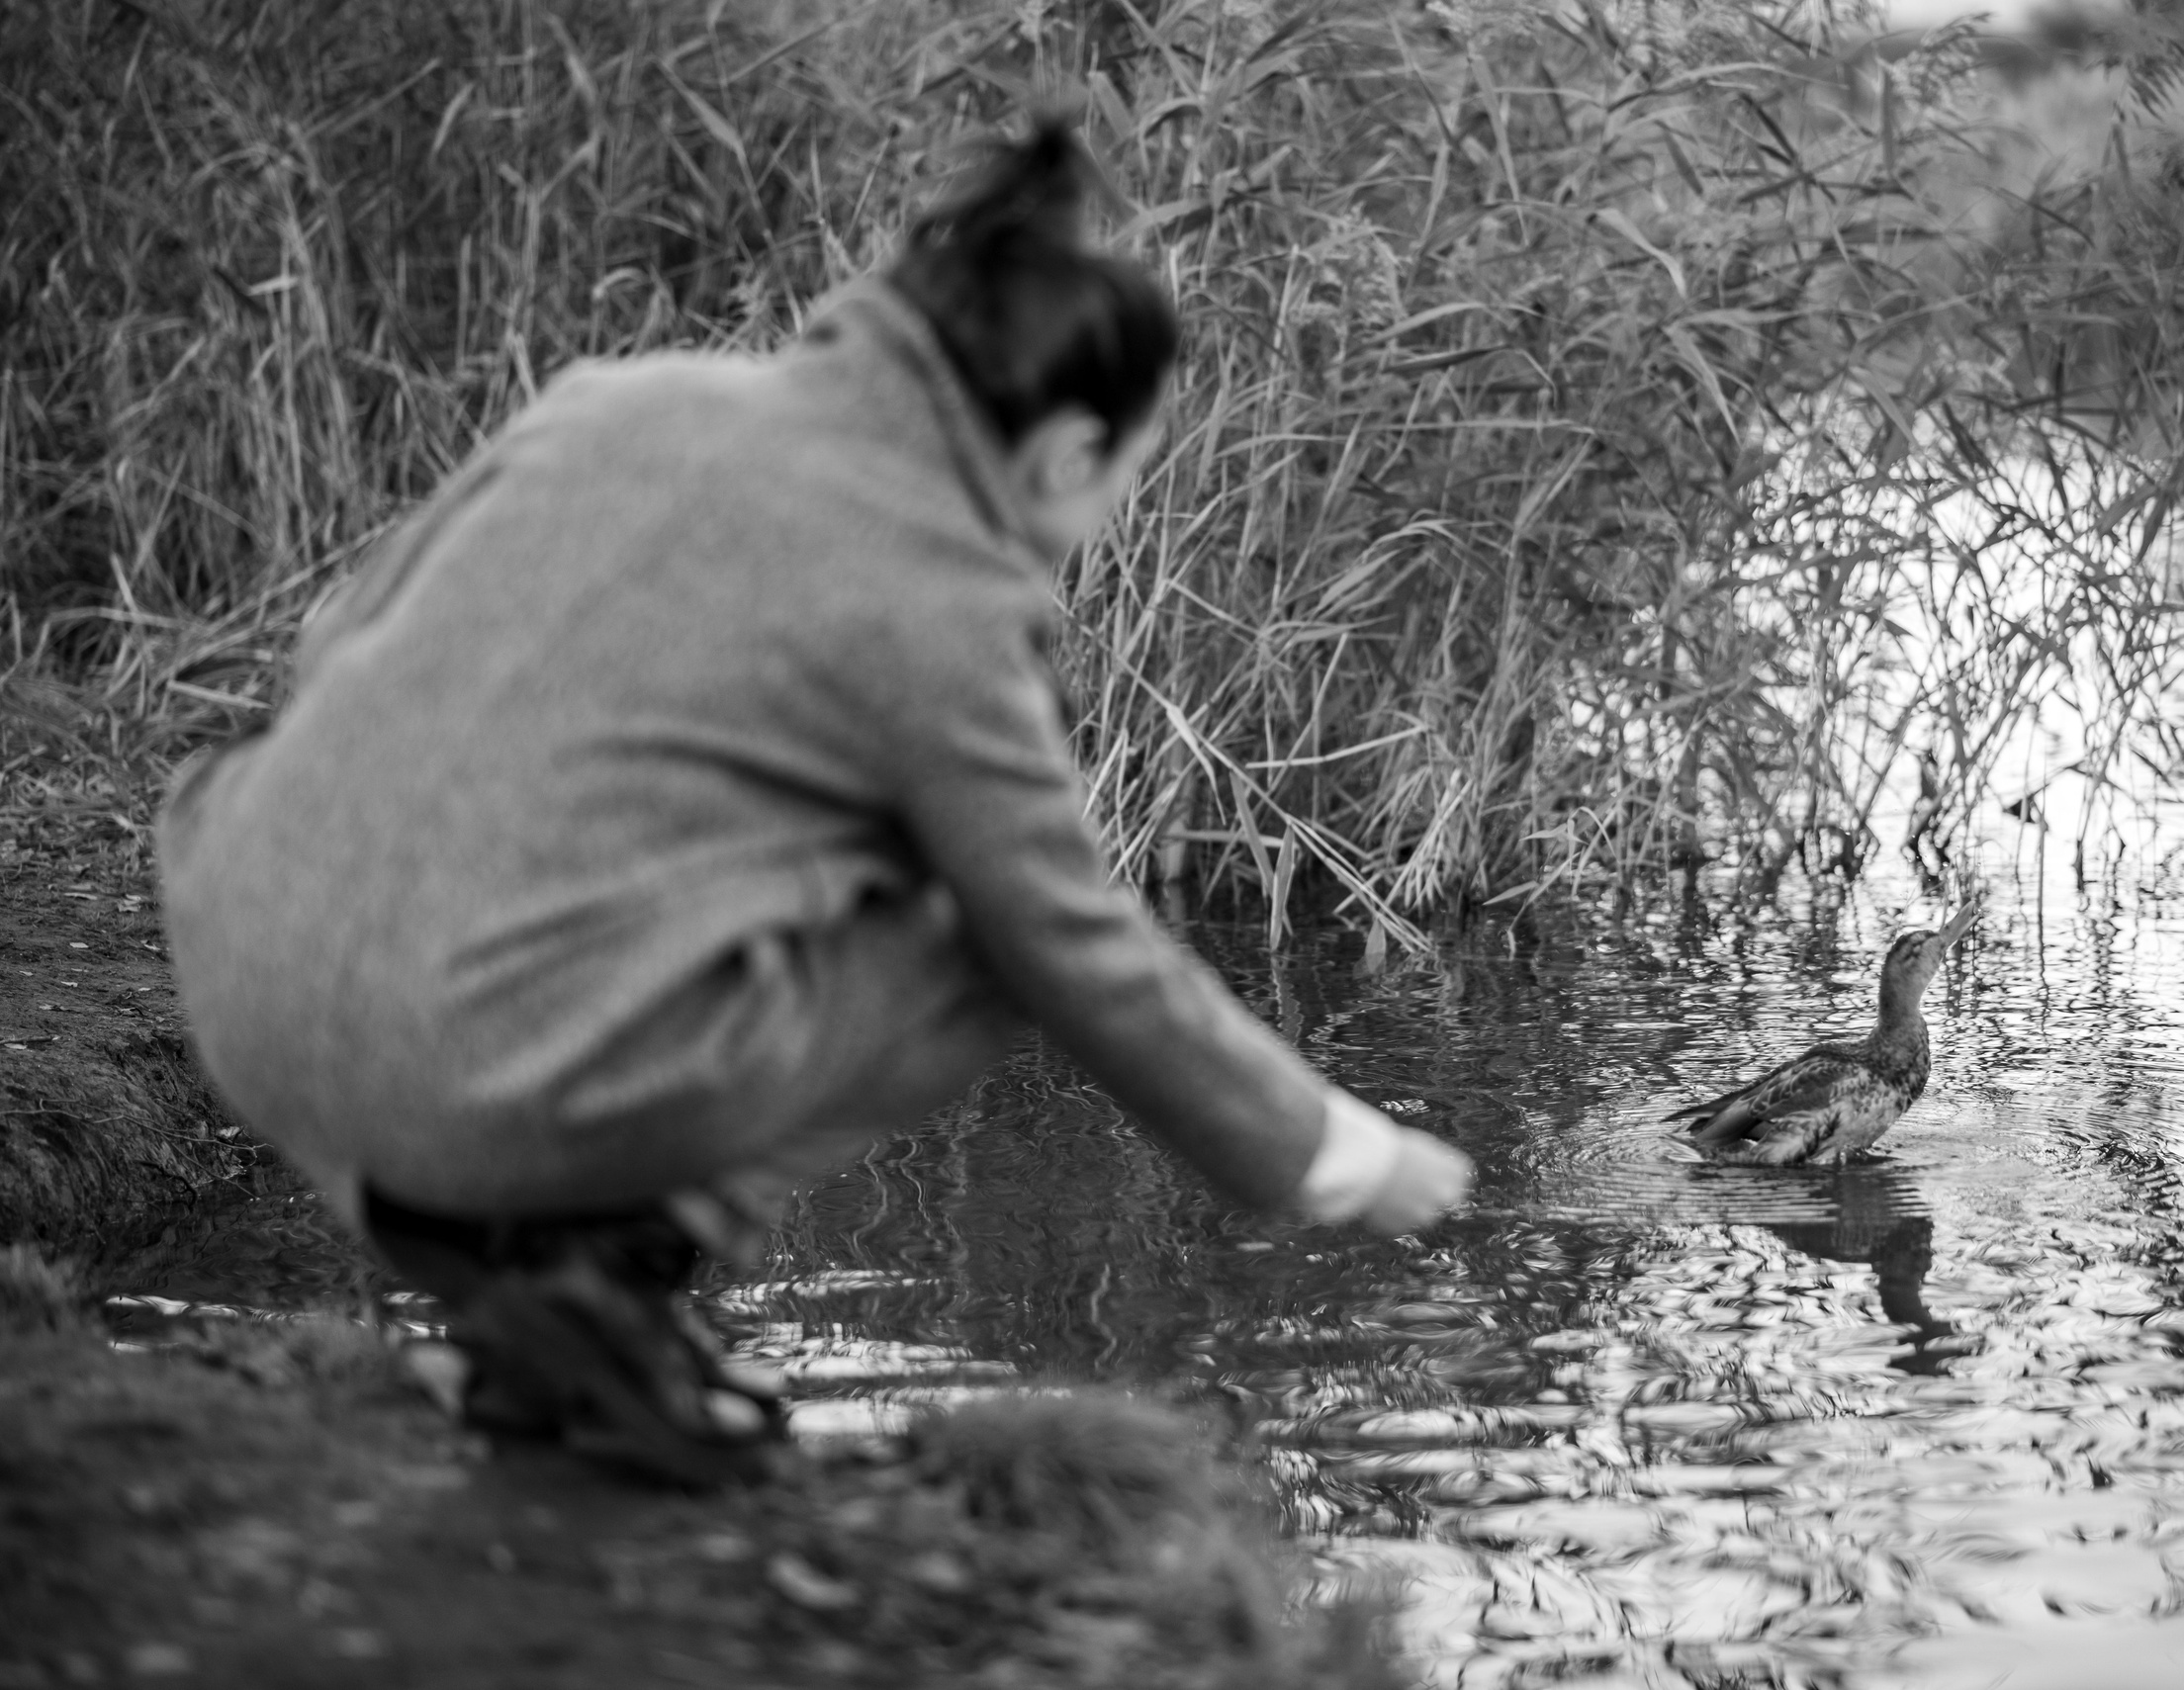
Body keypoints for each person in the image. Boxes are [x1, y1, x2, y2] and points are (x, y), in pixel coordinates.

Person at [156, 115, 1472, 1485]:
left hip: (245, 968)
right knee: (980, 949)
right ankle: (597, 1274)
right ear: (1068, 451)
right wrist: (1336, 1155)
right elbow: (1075, 945)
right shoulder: (939, 596)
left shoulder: (622, 400)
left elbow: (334, 646)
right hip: (453, 1065)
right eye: (1126, 479)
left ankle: (539, 1305)